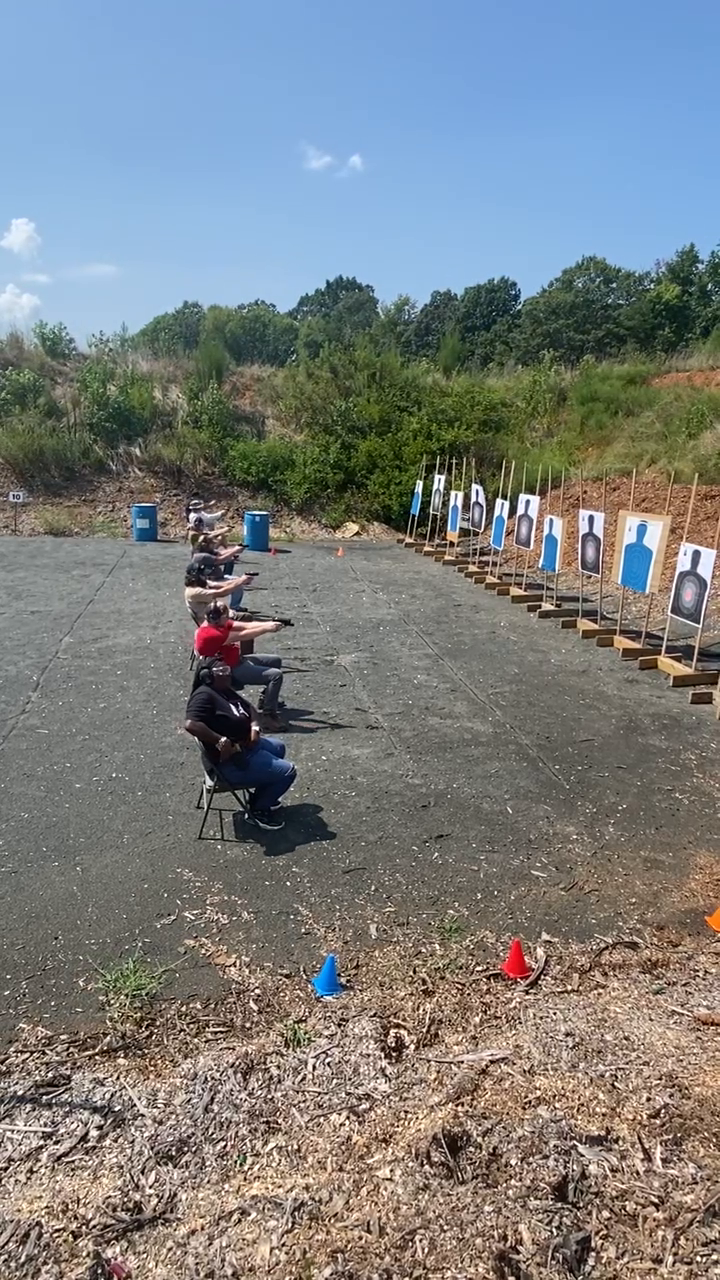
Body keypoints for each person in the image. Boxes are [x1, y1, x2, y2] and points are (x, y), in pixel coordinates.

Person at [185, 656, 296, 830]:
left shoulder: (224, 690)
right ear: (208, 676)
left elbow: (250, 708)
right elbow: (191, 724)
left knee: (279, 747)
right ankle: (258, 811)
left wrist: (254, 729)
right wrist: (220, 740)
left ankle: (261, 796)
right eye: (222, 671)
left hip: (247, 745)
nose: (228, 674)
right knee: (288, 771)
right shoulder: (204, 695)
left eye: (228, 670)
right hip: (231, 761)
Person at [195, 602, 286, 725]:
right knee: (276, 676)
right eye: (226, 616)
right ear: (218, 618)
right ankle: (268, 716)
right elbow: (243, 635)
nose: (229, 617)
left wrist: (269, 623)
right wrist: (267, 628)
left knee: (275, 661)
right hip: (231, 669)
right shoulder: (211, 634)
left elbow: (245, 626)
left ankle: (267, 700)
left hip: (237, 660)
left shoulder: (216, 623)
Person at [185, 563, 253, 625]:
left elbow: (222, 584)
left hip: (217, 616)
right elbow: (221, 593)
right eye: (201, 574)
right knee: (247, 617)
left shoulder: (200, 582)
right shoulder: (194, 591)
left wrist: (241, 580)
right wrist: (241, 581)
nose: (205, 575)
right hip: (212, 621)